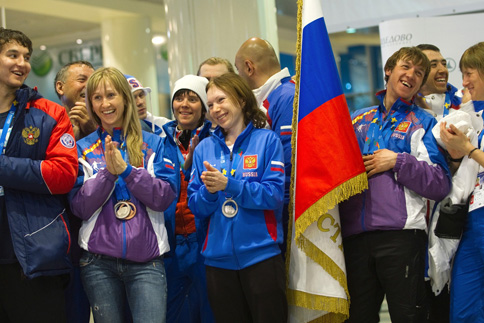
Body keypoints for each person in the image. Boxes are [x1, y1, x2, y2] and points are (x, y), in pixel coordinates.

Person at [339, 47, 451, 322]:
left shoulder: (425, 122)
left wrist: (398, 162)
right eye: (406, 67)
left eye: (419, 73)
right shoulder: (358, 119)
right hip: (355, 238)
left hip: (401, 238)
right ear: (389, 70)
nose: (411, 75)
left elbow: (440, 183)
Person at [68, 67, 177, 323]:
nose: (105, 103)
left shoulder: (154, 143)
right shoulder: (83, 149)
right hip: (98, 264)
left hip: (147, 263)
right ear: (91, 104)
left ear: (125, 98)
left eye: (111, 95)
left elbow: (163, 197)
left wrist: (127, 171)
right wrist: (108, 174)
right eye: (97, 97)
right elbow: (79, 207)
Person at [187, 73, 287, 322]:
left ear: (242, 100)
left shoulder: (267, 140)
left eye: (221, 100)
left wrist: (229, 185)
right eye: (210, 105)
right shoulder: (204, 148)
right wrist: (209, 193)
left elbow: (274, 195)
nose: (215, 109)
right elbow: (195, 205)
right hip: (218, 262)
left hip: (261, 256)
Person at [0, 27, 78, 322]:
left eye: (26, 57)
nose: (22, 63)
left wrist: (3, 167)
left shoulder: (50, 114)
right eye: (13, 55)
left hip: (32, 255)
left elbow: (64, 174)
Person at [235, 37, 294, 257]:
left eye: (238, 69)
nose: (239, 76)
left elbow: (290, 162)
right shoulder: (275, 96)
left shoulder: (284, 96)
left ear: (249, 67)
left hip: (287, 209)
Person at [161, 75, 214, 323]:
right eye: (179, 98)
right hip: (171, 243)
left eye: (193, 99)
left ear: (204, 107)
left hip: (204, 241)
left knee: (210, 310)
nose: (184, 104)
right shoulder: (160, 142)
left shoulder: (215, 141)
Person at [440, 42, 484, 322]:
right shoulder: (471, 113)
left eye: (469, 73)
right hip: (471, 217)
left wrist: (467, 148)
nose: (464, 81)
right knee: (463, 309)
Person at [55, 60, 95, 323]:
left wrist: (91, 134)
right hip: (59, 237)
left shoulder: (106, 128)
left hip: (99, 235)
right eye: (81, 80)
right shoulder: (45, 123)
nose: (87, 86)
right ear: (60, 87)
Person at [55, 60, 97, 140]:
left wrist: (93, 132)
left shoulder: (107, 122)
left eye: (92, 81)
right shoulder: (48, 125)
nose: (89, 85)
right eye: (81, 79)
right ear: (60, 87)